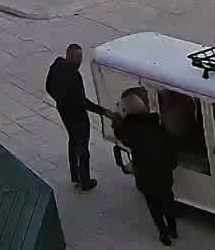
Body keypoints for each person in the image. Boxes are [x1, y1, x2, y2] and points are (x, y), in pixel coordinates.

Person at [114, 88, 178, 245]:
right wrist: (171, 164)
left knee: (154, 206)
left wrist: (118, 119)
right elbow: (170, 147)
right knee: (168, 201)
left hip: (146, 175)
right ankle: (173, 228)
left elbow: (121, 136)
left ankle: (164, 234)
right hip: (163, 173)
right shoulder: (158, 127)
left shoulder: (131, 132)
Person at [45, 43, 108, 191]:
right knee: (82, 147)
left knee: (73, 140)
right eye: (76, 58)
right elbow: (82, 102)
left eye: (80, 58)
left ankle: (75, 174)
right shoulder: (74, 76)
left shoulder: (57, 65)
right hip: (77, 115)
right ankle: (85, 180)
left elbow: (48, 87)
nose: (79, 61)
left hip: (64, 112)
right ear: (68, 55)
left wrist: (59, 100)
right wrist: (103, 111)